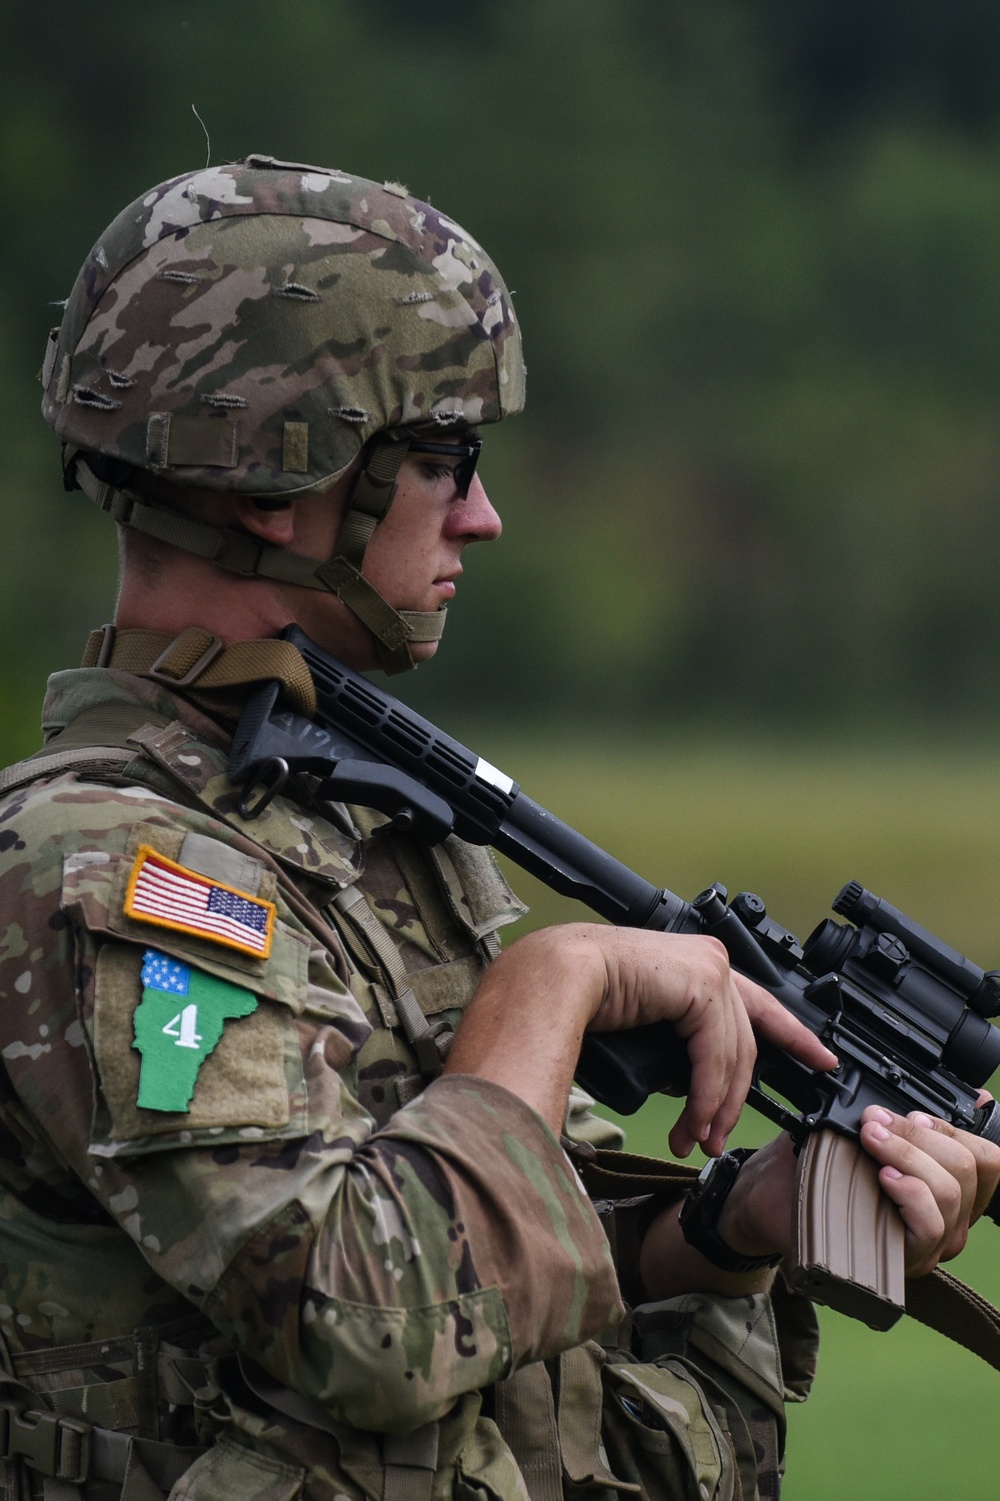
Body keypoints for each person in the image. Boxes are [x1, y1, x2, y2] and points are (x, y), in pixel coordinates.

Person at [0, 154, 995, 1501]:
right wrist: (556, 978)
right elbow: (361, 1320)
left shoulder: (346, 822)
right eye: (442, 461)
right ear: (273, 483)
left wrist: (721, 1229)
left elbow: (483, 1269)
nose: (484, 513)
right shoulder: (112, 869)